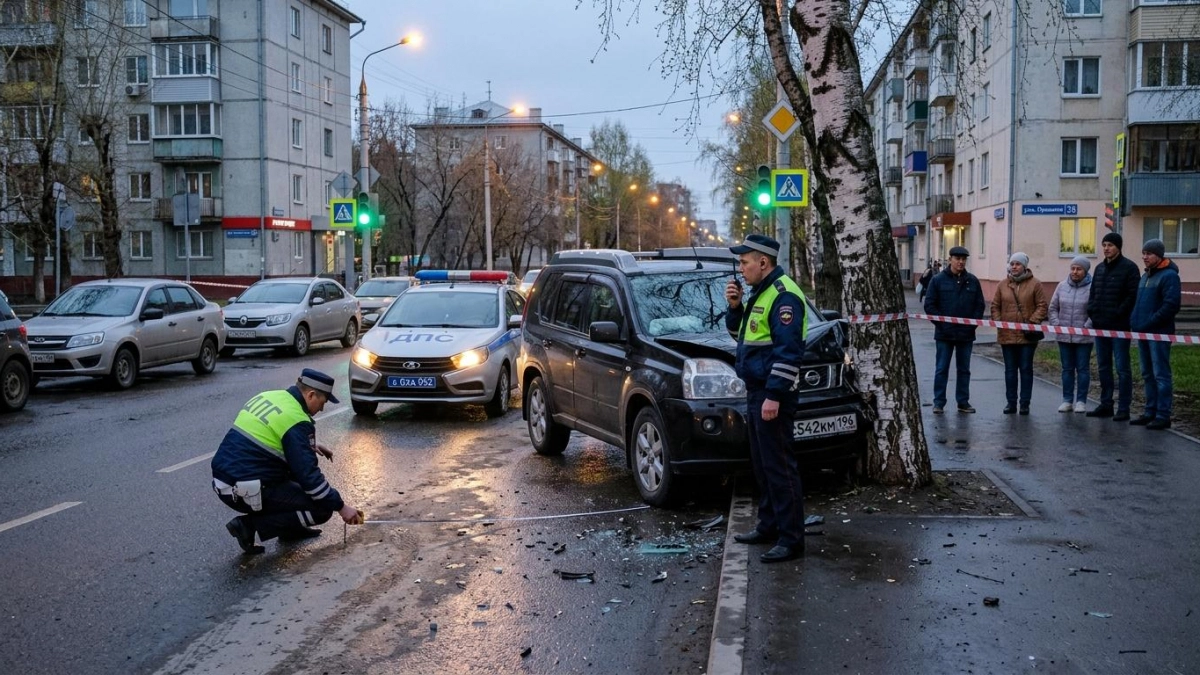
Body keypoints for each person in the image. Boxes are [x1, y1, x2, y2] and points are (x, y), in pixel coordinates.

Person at [212, 368, 364, 555]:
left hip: (224, 480)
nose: (322, 409)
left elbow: (265, 438)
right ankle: (248, 526)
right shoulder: (296, 421)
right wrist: (341, 507)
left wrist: (305, 445)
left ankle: (290, 528)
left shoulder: (270, 396)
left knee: (295, 478)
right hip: (244, 489)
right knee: (322, 508)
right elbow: (310, 479)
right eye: (323, 402)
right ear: (311, 394)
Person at [724, 234, 807, 564]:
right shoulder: (762, 292)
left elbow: (789, 353)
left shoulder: (784, 296)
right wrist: (735, 308)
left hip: (774, 394)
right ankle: (769, 524)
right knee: (763, 464)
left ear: (763, 262)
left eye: (744, 263)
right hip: (758, 390)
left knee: (780, 467)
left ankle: (791, 539)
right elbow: (742, 338)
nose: (740, 269)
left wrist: (774, 395)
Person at [923, 246, 986, 414]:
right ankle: (939, 402)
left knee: (964, 369)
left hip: (966, 334)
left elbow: (979, 305)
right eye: (957, 258)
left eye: (963, 259)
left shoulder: (972, 281)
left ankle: (963, 401)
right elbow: (929, 305)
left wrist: (972, 325)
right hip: (944, 334)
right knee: (942, 368)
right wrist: (943, 325)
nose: (961, 262)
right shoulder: (937, 280)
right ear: (950, 259)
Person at [1085, 232, 1141, 421]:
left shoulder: (1129, 268)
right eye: (1104, 245)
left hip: (1119, 326)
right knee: (1103, 366)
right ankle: (1106, 403)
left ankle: (1123, 407)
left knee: (1122, 368)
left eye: (1110, 245)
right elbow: (1093, 293)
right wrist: (1092, 311)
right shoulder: (1100, 268)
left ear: (1118, 247)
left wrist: (1118, 313)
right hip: (1100, 326)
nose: (1106, 248)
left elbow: (1132, 296)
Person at [1129, 238, 1181, 430]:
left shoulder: (1169, 276)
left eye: (1148, 254)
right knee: (1147, 374)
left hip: (1158, 334)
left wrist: (1150, 322)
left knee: (1161, 374)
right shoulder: (1146, 276)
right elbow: (1139, 303)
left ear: (1158, 255)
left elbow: (1171, 305)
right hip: (1143, 332)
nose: (1144, 257)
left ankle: (1163, 414)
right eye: (1143, 253)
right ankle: (1150, 411)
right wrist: (1135, 321)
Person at [991, 252, 1049, 415]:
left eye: (1017, 264)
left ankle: (1025, 403)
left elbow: (1042, 306)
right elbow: (995, 306)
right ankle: (1011, 403)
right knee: (1010, 370)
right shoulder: (1002, 285)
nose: (1014, 267)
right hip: (1007, 335)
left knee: (1025, 369)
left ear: (1024, 266)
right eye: (1012, 264)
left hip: (1027, 336)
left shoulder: (1035, 284)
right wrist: (999, 321)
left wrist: (1031, 323)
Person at [1049, 256, 1094, 413]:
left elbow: (1095, 310)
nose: (1075, 272)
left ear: (1085, 271)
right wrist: (1056, 324)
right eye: (1073, 268)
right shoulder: (1062, 286)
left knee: (1082, 369)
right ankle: (1067, 400)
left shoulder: (1092, 287)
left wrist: (1087, 326)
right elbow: (1053, 307)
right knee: (1067, 369)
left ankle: (1081, 401)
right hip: (1064, 336)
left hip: (1084, 337)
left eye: (1079, 269)